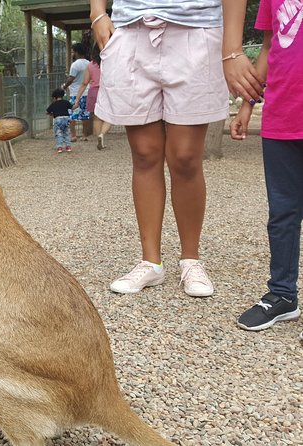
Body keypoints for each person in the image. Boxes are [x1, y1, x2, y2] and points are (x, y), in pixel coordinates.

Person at [90, 1, 229, 297]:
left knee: (186, 157)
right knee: (144, 153)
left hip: (197, 26)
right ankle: (150, 262)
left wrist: (232, 46)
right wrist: (97, 12)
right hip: (130, 28)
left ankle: (191, 259)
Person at [226, 0, 302, 336]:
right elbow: (269, 50)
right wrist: (247, 104)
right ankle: (283, 294)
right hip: (282, 120)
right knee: (283, 212)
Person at [73, 45, 111, 151]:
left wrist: (77, 98)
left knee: (96, 116)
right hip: (107, 91)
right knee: (110, 116)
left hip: (94, 91)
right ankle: (102, 135)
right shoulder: (110, 63)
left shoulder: (90, 65)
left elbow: (85, 83)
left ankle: (99, 138)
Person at [61, 43, 91, 143]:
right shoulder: (89, 63)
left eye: (73, 51)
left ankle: (73, 135)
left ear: (77, 52)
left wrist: (65, 86)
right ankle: (84, 135)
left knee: (72, 115)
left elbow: (71, 78)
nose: (72, 53)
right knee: (85, 115)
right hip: (87, 92)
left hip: (75, 93)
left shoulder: (75, 65)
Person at [46, 88, 74, 154]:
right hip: (66, 119)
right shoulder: (66, 102)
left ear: (54, 97)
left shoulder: (53, 104)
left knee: (58, 134)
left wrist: (52, 114)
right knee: (66, 133)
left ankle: (59, 147)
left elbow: (46, 112)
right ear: (62, 95)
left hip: (57, 119)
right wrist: (77, 104)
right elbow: (72, 107)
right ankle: (68, 147)